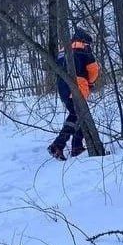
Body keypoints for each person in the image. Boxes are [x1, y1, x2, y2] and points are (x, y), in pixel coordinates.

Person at [48, 28, 100, 161]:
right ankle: (58, 145)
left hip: (62, 86)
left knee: (78, 115)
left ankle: (76, 147)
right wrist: (91, 82)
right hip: (78, 85)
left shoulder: (62, 49)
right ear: (85, 40)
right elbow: (93, 69)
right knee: (78, 115)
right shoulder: (84, 48)